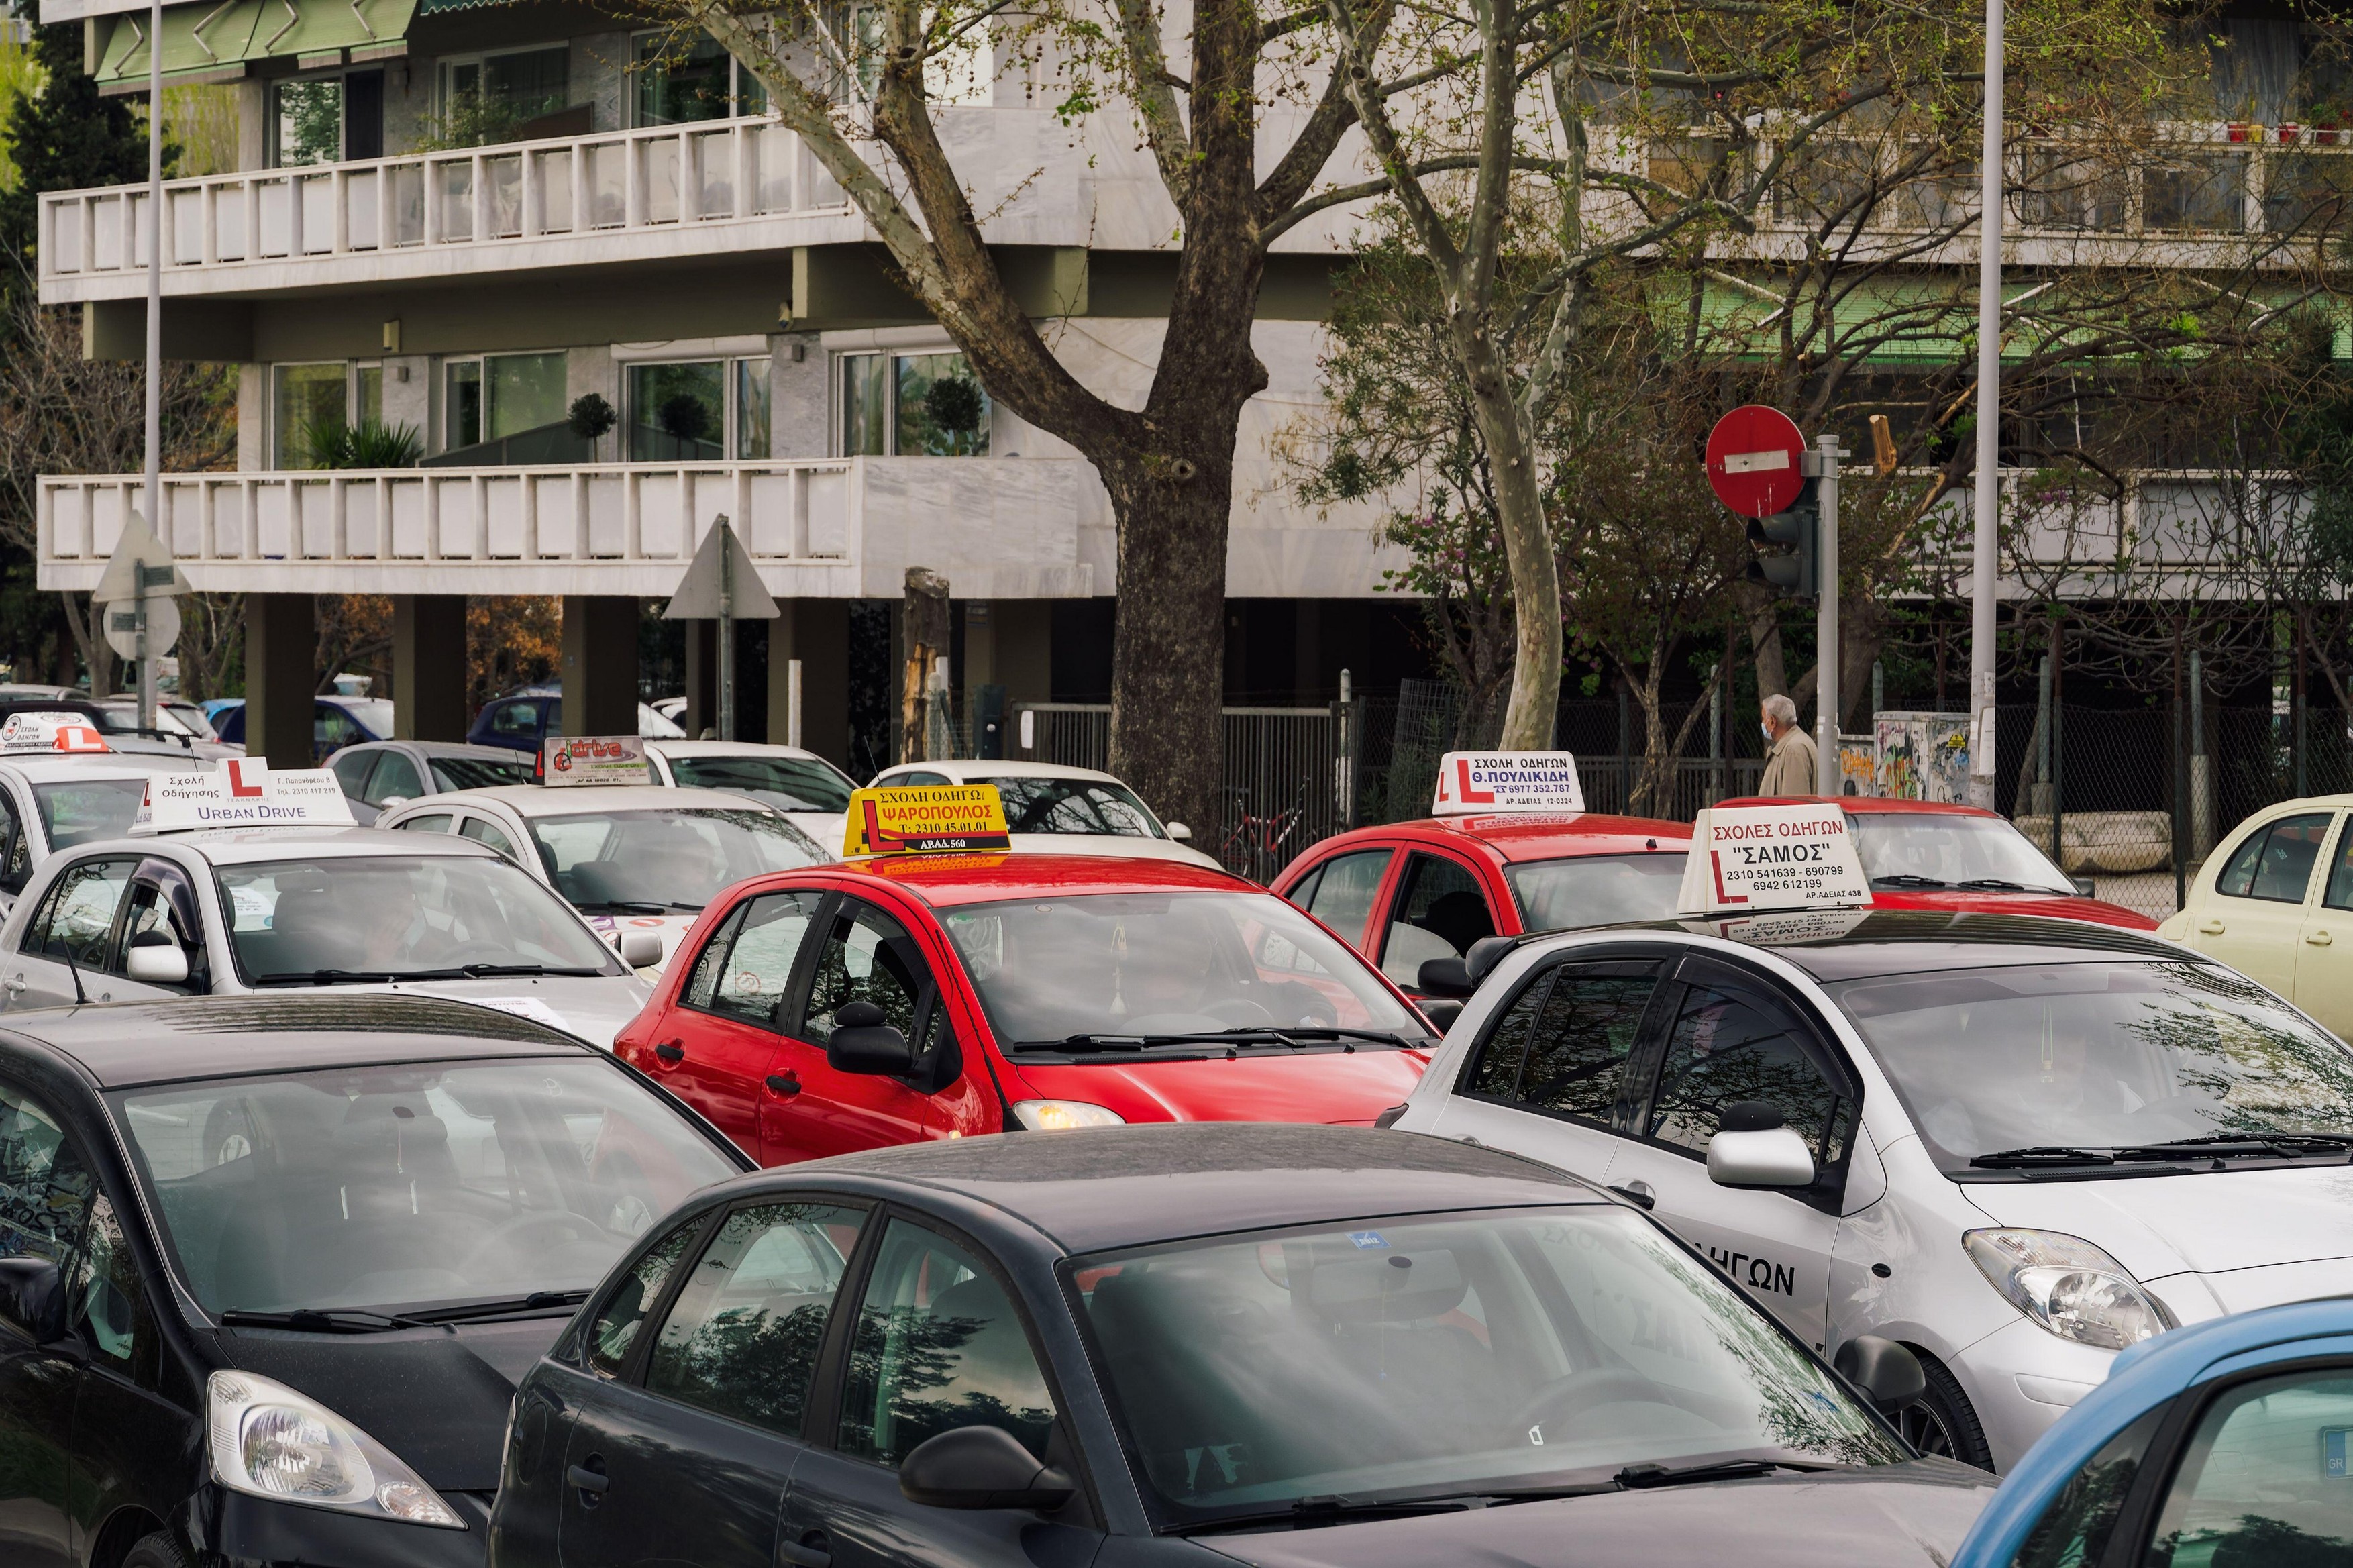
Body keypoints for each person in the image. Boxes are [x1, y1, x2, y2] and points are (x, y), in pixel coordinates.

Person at [1756, 692, 1820, 797]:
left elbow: (1794, 806)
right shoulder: (1792, 745)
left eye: (1764, 718)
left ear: (1773, 721)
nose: (1763, 722)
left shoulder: (1794, 750)